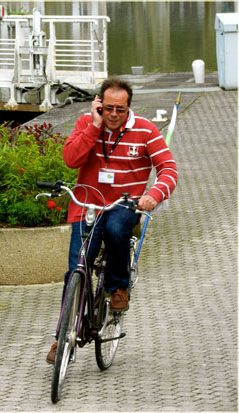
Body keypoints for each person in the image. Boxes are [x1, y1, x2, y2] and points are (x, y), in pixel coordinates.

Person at [46, 77, 177, 363]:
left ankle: (118, 286)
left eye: (120, 109)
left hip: (124, 204)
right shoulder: (87, 124)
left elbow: (168, 168)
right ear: (98, 105)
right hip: (87, 206)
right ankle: (61, 340)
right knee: (75, 271)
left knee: (118, 228)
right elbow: (71, 159)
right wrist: (94, 126)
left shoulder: (145, 130)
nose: (114, 115)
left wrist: (153, 195)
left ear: (129, 107)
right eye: (108, 108)